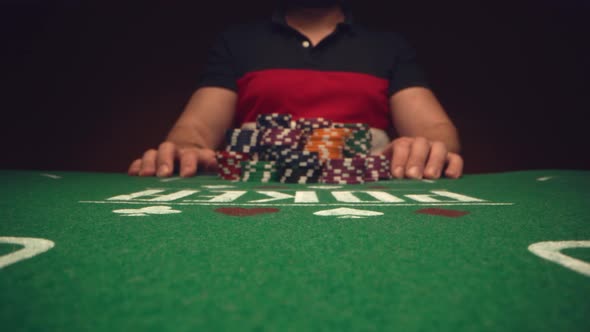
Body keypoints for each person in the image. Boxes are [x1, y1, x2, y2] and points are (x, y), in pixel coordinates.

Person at [128, 0, 463, 180]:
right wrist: (184, 150)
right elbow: (195, 129)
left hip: (368, 198)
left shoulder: (389, 45)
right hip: (256, 197)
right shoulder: (238, 41)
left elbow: (435, 131)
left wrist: (429, 149)